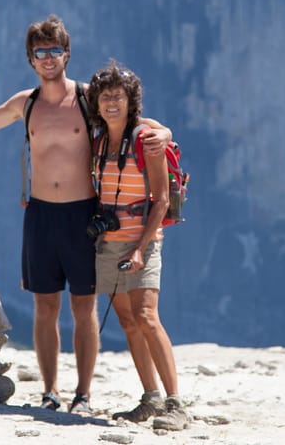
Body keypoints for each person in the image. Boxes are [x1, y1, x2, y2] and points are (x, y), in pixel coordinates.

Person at [0, 14, 170, 414]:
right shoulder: (27, 103)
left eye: (55, 50)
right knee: (45, 307)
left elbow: (132, 122)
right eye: (41, 52)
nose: (48, 58)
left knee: (84, 307)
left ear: (67, 54)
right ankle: (50, 391)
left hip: (83, 214)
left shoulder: (87, 97)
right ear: (31, 59)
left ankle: (83, 394)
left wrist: (165, 133)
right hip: (40, 215)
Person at [85, 60, 189, 431]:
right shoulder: (98, 142)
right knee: (128, 321)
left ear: (131, 102)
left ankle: (175, 403)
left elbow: (160, 200)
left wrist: (141, 248)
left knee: (146, 316)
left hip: (143, 241)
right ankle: (150, 398)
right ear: (96, 103)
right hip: (109, 242)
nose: (111, 103)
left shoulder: (147, 140)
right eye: (105, 97)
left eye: (119, 96)